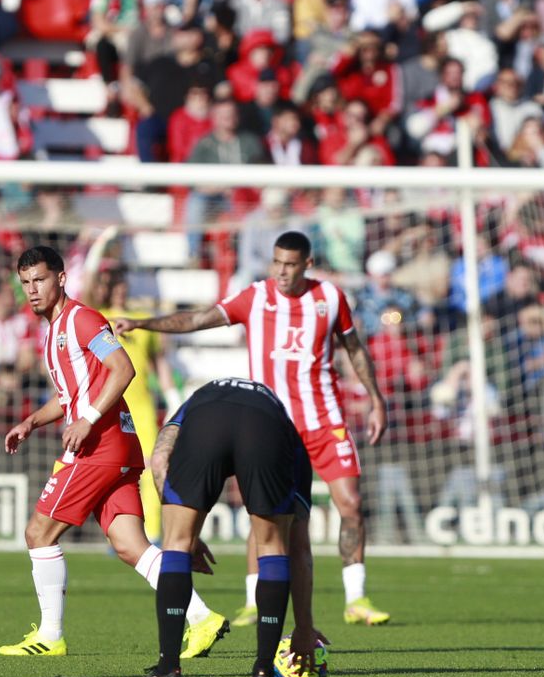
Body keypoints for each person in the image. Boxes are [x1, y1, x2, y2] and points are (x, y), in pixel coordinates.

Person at [116, 231, 393, 627]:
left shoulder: (330, 299)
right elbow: (198, 319)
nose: (281, 271)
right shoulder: (256, 297)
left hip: (324, 418)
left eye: (290, 264)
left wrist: (376, 399)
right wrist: (143, 324)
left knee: (350, 502)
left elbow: (354, 348)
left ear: (307, 265)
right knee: (264, 511)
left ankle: (356, 598)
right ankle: (251, 599)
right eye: (277, 263)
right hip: (271, 424)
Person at [0, 247, 228, 659]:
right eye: (26, 283)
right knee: (129, 544)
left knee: (38, 532)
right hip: (112, 444)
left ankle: (50, 635)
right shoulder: (52, 331)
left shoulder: (82, 319)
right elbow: (69, 396)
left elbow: (124, 368)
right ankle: (202, 618)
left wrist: (86, 418)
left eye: (40, 280)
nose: (33, 291)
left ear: (62, 279)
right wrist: (32, 421)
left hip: (98, 445)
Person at [132, 377, 320, 677]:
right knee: (273, 546)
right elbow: (299, 550)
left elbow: (160, 458)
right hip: (264, 427)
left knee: (175, 544)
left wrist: (183, 529)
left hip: (208, 418)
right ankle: (263, 675)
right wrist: (304, 628)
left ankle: (168, 672)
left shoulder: (195, 402)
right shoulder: (286, 429)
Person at [92, 270, 176, 543]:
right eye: (114, 285)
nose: (120, 291)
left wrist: (172, 396)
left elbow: (159, 361)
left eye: (122, 286)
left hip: (142, 406)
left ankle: (151, 532)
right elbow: (86, 286)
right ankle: (117, 532)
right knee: (115, 468)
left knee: (153, 466)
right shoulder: (97, 317)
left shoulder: (137, 321)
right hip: (110, 403)